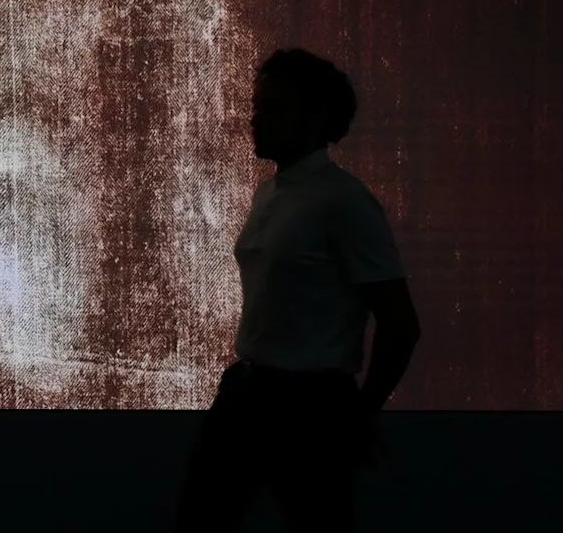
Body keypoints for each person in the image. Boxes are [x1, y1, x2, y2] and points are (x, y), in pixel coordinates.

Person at [172, 48, 422, 532]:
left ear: (317, 118)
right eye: (257, 106)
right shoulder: (269, 192)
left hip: (311, 406)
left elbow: (401, 323)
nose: (256, 119)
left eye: (275, 108)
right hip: (246, 391)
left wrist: (360, 413)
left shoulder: (345, 201)